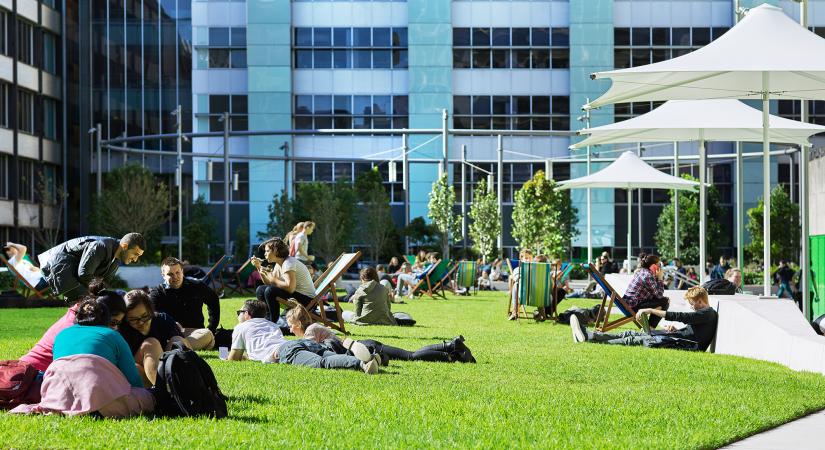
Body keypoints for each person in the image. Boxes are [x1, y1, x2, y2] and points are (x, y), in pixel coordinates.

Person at [12, 297, 154, 418]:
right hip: (100, 401)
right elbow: (134, 380)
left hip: (58, 398)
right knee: (147, 397)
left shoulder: (62, 334)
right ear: (107, 320)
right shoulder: (113, 335)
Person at [291, 301, 475, 364]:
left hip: (363, 347)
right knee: (410, 354)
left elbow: (312, 352)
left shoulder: (311, 331)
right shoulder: (313, 328)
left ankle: (450, 353)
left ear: (299, 323)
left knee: (411, 356)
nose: (290, 329)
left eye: (291, 325)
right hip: (364, 343)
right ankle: (450, 347)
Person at [228, 300, 381, 374]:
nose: (238, 316)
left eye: (239, 313)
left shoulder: (241, 327)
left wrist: (243, 357)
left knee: (321, 363)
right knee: (329, 355)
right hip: (297, 343)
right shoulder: (271, 325)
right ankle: (370, 356)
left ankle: (361, 364)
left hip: (285, 350)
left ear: (247, 314)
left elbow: (233, 358)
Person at [20, 280, 126, 372]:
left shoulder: (79, 314)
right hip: (34, 377)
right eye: (113, 323)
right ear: (100, 314)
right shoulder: (77, 328)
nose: (115, 329)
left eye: (118, 324)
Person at [570, 286, 718, 352]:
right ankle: (590, 335)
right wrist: (675, 329)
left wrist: (651, 310)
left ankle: (590, 339)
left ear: (700, 301)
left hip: (686, 345)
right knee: (629, 334)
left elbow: (682, 317)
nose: (692, 307)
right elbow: (693, 329)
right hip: (678, 338)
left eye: (693, 304)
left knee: (637, 339)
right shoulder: (705, 314)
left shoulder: (708, 314)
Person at [37, 233, 145, 301]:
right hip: (58, 264)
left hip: (73, 269)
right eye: (135, 254)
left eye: (138, 256)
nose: (135, 259)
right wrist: (102, 294)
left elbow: (102, 283)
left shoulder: (116, 261)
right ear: (125, 246)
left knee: (98, 301)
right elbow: (84, 274)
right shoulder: (100, 246)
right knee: (85, 301)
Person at [119, 290, 188, 386]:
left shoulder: (162, 319)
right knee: (151, 343)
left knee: (178, 340)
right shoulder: (123, 329)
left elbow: (181, 344)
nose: (141, 323)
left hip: (167, 368)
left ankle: (190, 385)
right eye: (133, 320)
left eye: (144, 316)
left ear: (151, 311)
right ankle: (166, 391)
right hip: (137, 372)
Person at [149, 256, 220, 350]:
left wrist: (212, 326)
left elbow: (213, 300)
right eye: (170, 274)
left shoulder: (197, 286)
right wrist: (171, 323)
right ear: (163, 275)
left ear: (182, 271)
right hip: (170, 333)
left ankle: (175, 348)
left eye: (177, 272)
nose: (175, 277)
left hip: (195, 333)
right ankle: (178, 347)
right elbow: (154, 316)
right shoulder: (157, 293)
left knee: (207, 334)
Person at [252, 237, 316, 321]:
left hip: (307, 301)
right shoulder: (279, 264)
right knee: (260, 289)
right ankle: (267, 319)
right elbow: (269, 283)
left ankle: (273, 321)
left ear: (275, 251)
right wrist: (258, 267)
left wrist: (273, 279)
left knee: (271, 291)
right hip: (298, 296)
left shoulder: (288, 263)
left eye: (267, 251)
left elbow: (290, 288)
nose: (265, 254)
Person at [622, 254, 669, 329]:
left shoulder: (642, 271)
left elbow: (655, 294)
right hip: (633, 307)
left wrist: (657, 278)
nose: (660, 266)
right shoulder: (648, 276)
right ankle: (650, 328)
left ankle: (649, 328)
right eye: (659, 264)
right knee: (665, 301)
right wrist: (660, 278)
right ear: (653, 266)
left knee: (661, 304)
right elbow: (659, 295)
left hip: (629, 304)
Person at [509, 249, 534, 320]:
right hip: (528, 294)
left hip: (531, 294)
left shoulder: (536, 270)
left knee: (516, 285)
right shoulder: (518, 269)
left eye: (530, 258)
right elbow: (518, 279)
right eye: (526, 258)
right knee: (516, 285)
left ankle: (514, 311)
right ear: (521, 259)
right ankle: (515, 311)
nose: (528, 260)